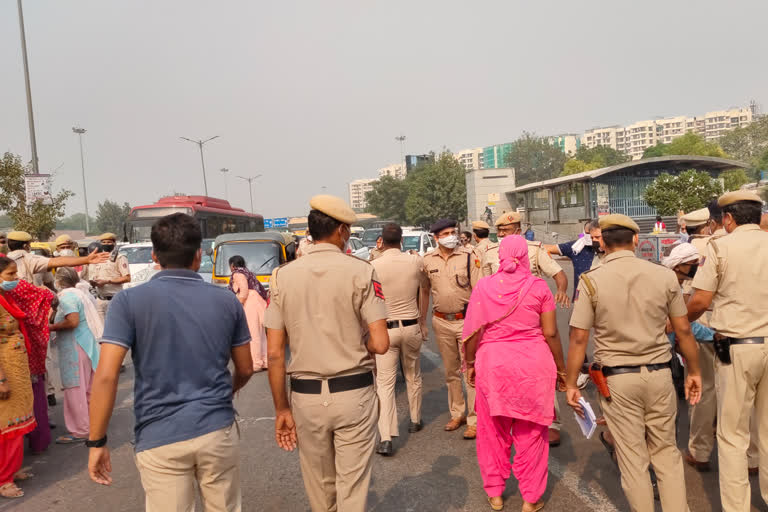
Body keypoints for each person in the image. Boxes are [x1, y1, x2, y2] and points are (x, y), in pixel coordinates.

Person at [87, 213, 254, 512]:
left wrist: (96, 441)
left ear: (154, 255)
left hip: (159, 434)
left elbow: (106, 377)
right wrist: (221, 395)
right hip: (216, 428)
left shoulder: (127, 303)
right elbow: (245, 368)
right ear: (198, 255)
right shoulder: (226, 301)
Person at [566, 213, 702, 512]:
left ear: (602, 243)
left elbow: (578, 339)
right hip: (659, 375)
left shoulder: (591, 281)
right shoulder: (664, 276)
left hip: (617, 382)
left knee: (633, 459)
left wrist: (571, 383)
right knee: (666, 453)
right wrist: (694, 371)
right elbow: (683, 330)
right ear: (636, 240)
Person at [265, 195, 389, 512]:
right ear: (342, 231)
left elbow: (276, 353)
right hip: (354, 394)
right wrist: (355, 343)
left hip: (306, 397)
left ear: (311, 232)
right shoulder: (362, 271)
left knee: (321, 493)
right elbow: (381, 343)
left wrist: (282, 408)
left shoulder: (282, 276)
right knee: (352, 489)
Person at [463, 235, 566, 512]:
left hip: (493, 365)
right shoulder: (539, 287)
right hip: (533, 365)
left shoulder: (483, 287)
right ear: (526, 255)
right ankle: (530, 499)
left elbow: (473, 331)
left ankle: (495, 494)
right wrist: (562, 369)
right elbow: (551, 333)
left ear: (500, 255)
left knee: (492, 431)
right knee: (532, 432)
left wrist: (470, 363)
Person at [686, 190, 768, 511]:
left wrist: (679, 321)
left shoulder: (720, 247)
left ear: (728, 219)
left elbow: (701, 301)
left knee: (732, 434)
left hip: (734, 346)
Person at [483, 211, 569, 445]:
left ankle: (551, 420)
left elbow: (558, 274)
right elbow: (483, 288)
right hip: (502, 323)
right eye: (499, 231)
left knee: (543, 368)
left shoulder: (534, 249)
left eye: (506, 231)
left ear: (518, 231)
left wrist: (561, 290)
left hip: (533, 319)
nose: (501, 235)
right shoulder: (490, 252)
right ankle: (510, 414)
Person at [370, 223, 429, 456]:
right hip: (412, 325)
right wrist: (423, 320)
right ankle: (415, 419)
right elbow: (425, 289)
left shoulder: (373, 266)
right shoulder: (414, 262)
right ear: (402, 240)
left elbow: (371, 301)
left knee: (385, 384)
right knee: (413, 374)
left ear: (381, 242)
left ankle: (386, 437)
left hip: (386, 329)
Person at [423, 219, 480, 439]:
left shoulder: (469, 256)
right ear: (436, 237)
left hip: (466, 320)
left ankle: (474, 419)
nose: (451, 236)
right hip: (441, 321)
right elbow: (424, 290)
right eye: (445, 233)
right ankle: (458, 413)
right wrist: (421, 320)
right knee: (451, 372)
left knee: (471, 371)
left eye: (452, 232)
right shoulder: (427, 261)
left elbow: (478, 291)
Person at [48, 268, 102, 444]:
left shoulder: (67, 297)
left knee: (75, 389)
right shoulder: (82, 293)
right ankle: (93, 425)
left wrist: (49, 327)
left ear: (58, 281)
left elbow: (72, 321)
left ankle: (80, 430)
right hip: (88, 344)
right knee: (89, 388)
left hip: (75, 345)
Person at [0, 257, 37, 499]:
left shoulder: (7, 299)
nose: (15, 278)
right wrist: (1, 379)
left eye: (15, 274)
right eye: (10, 275)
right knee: (7, 427)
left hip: (17, 369)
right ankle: (4, 480)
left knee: (19, 422)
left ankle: (11, 470)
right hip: (5, 372)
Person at [5, 231, 108, 288]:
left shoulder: (3, 261)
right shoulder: (29, 259)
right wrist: (86, 259)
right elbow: (57, 262)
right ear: (26, 246)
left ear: (9, 246)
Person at [544, 219, 604, 302]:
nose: (593, 239)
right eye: (589, 234)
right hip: (581, 298)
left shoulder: (611, 248)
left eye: (597, 237)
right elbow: (546, 248)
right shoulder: (576, 246)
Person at [228, 255, 269, 371]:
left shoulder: (238, 274)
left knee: (253, 334)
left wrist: (238, 305)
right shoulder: (248, 272)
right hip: (258, 302)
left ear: (232, 265)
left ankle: (256, 364)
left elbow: (244, 291)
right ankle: (265, 361)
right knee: (261, 334)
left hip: (250, 303)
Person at [79, 233, 131, 322]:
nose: (106, 244)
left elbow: (127, 278)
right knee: (101, 331)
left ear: (114, 243)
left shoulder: (119, 258)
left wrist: (107, 281)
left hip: (114, 299)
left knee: (115, 327)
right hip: (100, 299)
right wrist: (93, 282)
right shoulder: (98, 258)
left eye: (109, 242)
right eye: (104, 242)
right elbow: (91, 276)